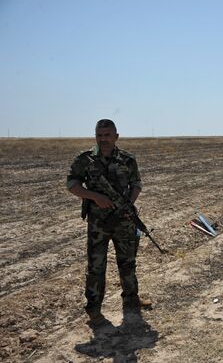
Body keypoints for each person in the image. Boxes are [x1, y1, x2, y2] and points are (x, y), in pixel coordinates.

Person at [67, 119, 146, 326]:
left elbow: (136, 183)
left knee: (127, 264)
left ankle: (131, 301)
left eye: (107, 135)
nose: (103, 139)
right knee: (96, 267)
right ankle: (94, 310)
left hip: (124, 221)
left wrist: (128, 204)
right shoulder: (85, 160)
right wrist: (94, 196)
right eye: (99, 135)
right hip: (98, 225)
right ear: (96, 136)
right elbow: (72, 184)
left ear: (116, 136)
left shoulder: (128, 159)